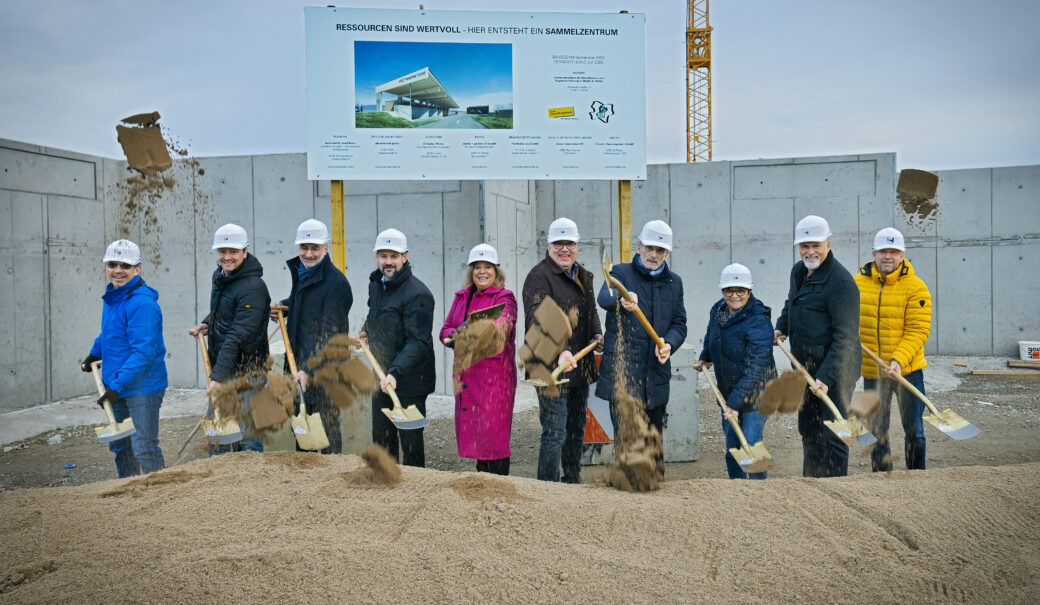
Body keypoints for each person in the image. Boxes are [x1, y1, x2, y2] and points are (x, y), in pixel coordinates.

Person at [596, 220, 687, 470]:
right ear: (639, 247)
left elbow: (679, 323)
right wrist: (621, 296)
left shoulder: (674, 283)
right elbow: (604, 296)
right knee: (627, 442)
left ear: (666, 253)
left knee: (653, 441)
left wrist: (669, 343)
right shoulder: (620, 273)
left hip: (654, 374)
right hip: (623, 374)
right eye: (649, 248)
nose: (654, 254)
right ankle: (628, 496)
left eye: (660, 250)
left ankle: (655, 492)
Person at [774, 215, 860, 478]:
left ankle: (836, 487)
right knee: (809, 427)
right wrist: (782, 326)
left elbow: (845, 338)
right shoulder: (799, 271)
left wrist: (825, 377)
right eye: (804, 246)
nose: (809, 251)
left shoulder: (842, 283)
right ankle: (813, 484)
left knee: (833, 430)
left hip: (836, 369)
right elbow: (792, 302)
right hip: (805, 367)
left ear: (828, 245)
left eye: (816, 245)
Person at [522, 217, 604, 483]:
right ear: (548, 247)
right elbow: (539, 317)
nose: (564, 249)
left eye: (569, 243)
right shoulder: (538, 277)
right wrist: (561, 350)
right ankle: (548, 488)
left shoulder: (583, 275)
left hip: (579, 363)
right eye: (558, 244)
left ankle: (571, 481)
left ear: (577, 246)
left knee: (575, 428)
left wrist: (596, 333)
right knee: (554, 430)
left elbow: (590, 310)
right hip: (549, 365)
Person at [81, 239, 168, 478]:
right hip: (117, 385)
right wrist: (95, 352)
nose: (118, 270)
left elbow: (144, 352)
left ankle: (163, 499)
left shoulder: (142, 304)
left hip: (143, 388)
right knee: (122, 446)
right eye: (113, 264)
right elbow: (111, 332)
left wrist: (116, 387)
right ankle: (129, 494)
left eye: (125, 266)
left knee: (144, 448)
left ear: (137, 269)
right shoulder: (114, 296)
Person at [855, 227, 932, 471]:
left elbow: (918, 331)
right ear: (873, 253)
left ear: (902, 255)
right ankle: (881, 477)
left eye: (894, 251)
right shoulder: (856, 284)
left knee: (915, 430)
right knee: (877, 429)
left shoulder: (916, 287)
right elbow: (844, 319)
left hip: (907, 370)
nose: (888, 256)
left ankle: (917, 476)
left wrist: (898, 360)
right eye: (883, 251)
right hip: (873, 371)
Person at [273, 219, 352, 455]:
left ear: (325, 248)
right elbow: (307, 303)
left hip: (325, 372)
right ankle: (305, 484)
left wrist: (307, 369)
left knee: (327, 431)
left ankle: (332, 483)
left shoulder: (337, 284)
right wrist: (285, 306)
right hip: (299, 367)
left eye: (314, 248)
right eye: (304, 248)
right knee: (303, 434)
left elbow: (330, 335)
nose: (308, 253)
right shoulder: (303, 273)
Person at [190, 223, 271, 454]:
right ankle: (220, 485)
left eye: (233, 252)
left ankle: (252, 486)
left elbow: (238, 334)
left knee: (247, 437)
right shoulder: (221, 276)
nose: (227, 257)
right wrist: (208, 322)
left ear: (245, 252)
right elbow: (224, 312)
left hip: (248, 373)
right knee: (218, 436)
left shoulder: (253, 287)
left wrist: (217, 376)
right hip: (225, 368)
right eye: (222, 251)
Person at [439, 244, 517, 475]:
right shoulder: (461, 298)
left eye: (487, 267)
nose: (482, 272)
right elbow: (446, 329)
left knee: (494, 437)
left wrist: (465, 331)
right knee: (477, 436)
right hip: (468, 379)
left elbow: (502, 327)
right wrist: (451, 336)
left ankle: (501, 485)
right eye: (477, 267)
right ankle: (482, 482)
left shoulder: (505, 297)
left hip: (494, 381)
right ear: (471, 271)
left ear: (496, 271)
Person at [693, 263, 776, 479]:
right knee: (733, 446)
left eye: (741, 290)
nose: (735, 295)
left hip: (759, 391)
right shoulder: (718, 310)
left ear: (749, 291)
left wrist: (734, 404)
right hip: (729, 390)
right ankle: (737, 492)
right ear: (722, 291)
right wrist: (705, 356)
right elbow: (712, 335)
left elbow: (756, 369)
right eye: (729, 290)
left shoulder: (759, 321)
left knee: (749, 440)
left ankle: (760, 493)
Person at [361, 228, 435, 467]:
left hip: (410, 379)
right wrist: (366, 328)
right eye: (384, 256)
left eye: (394, 256)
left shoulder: (419, 294)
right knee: (382, 439)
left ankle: (415, 491)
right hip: (380, 375)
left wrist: (395, 373)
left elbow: (418, 342)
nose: (388, 262)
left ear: (405, 256)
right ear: (377, 258)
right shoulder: (377, 285)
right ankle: (385, 486)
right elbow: (378, 313)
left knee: (411, 444)